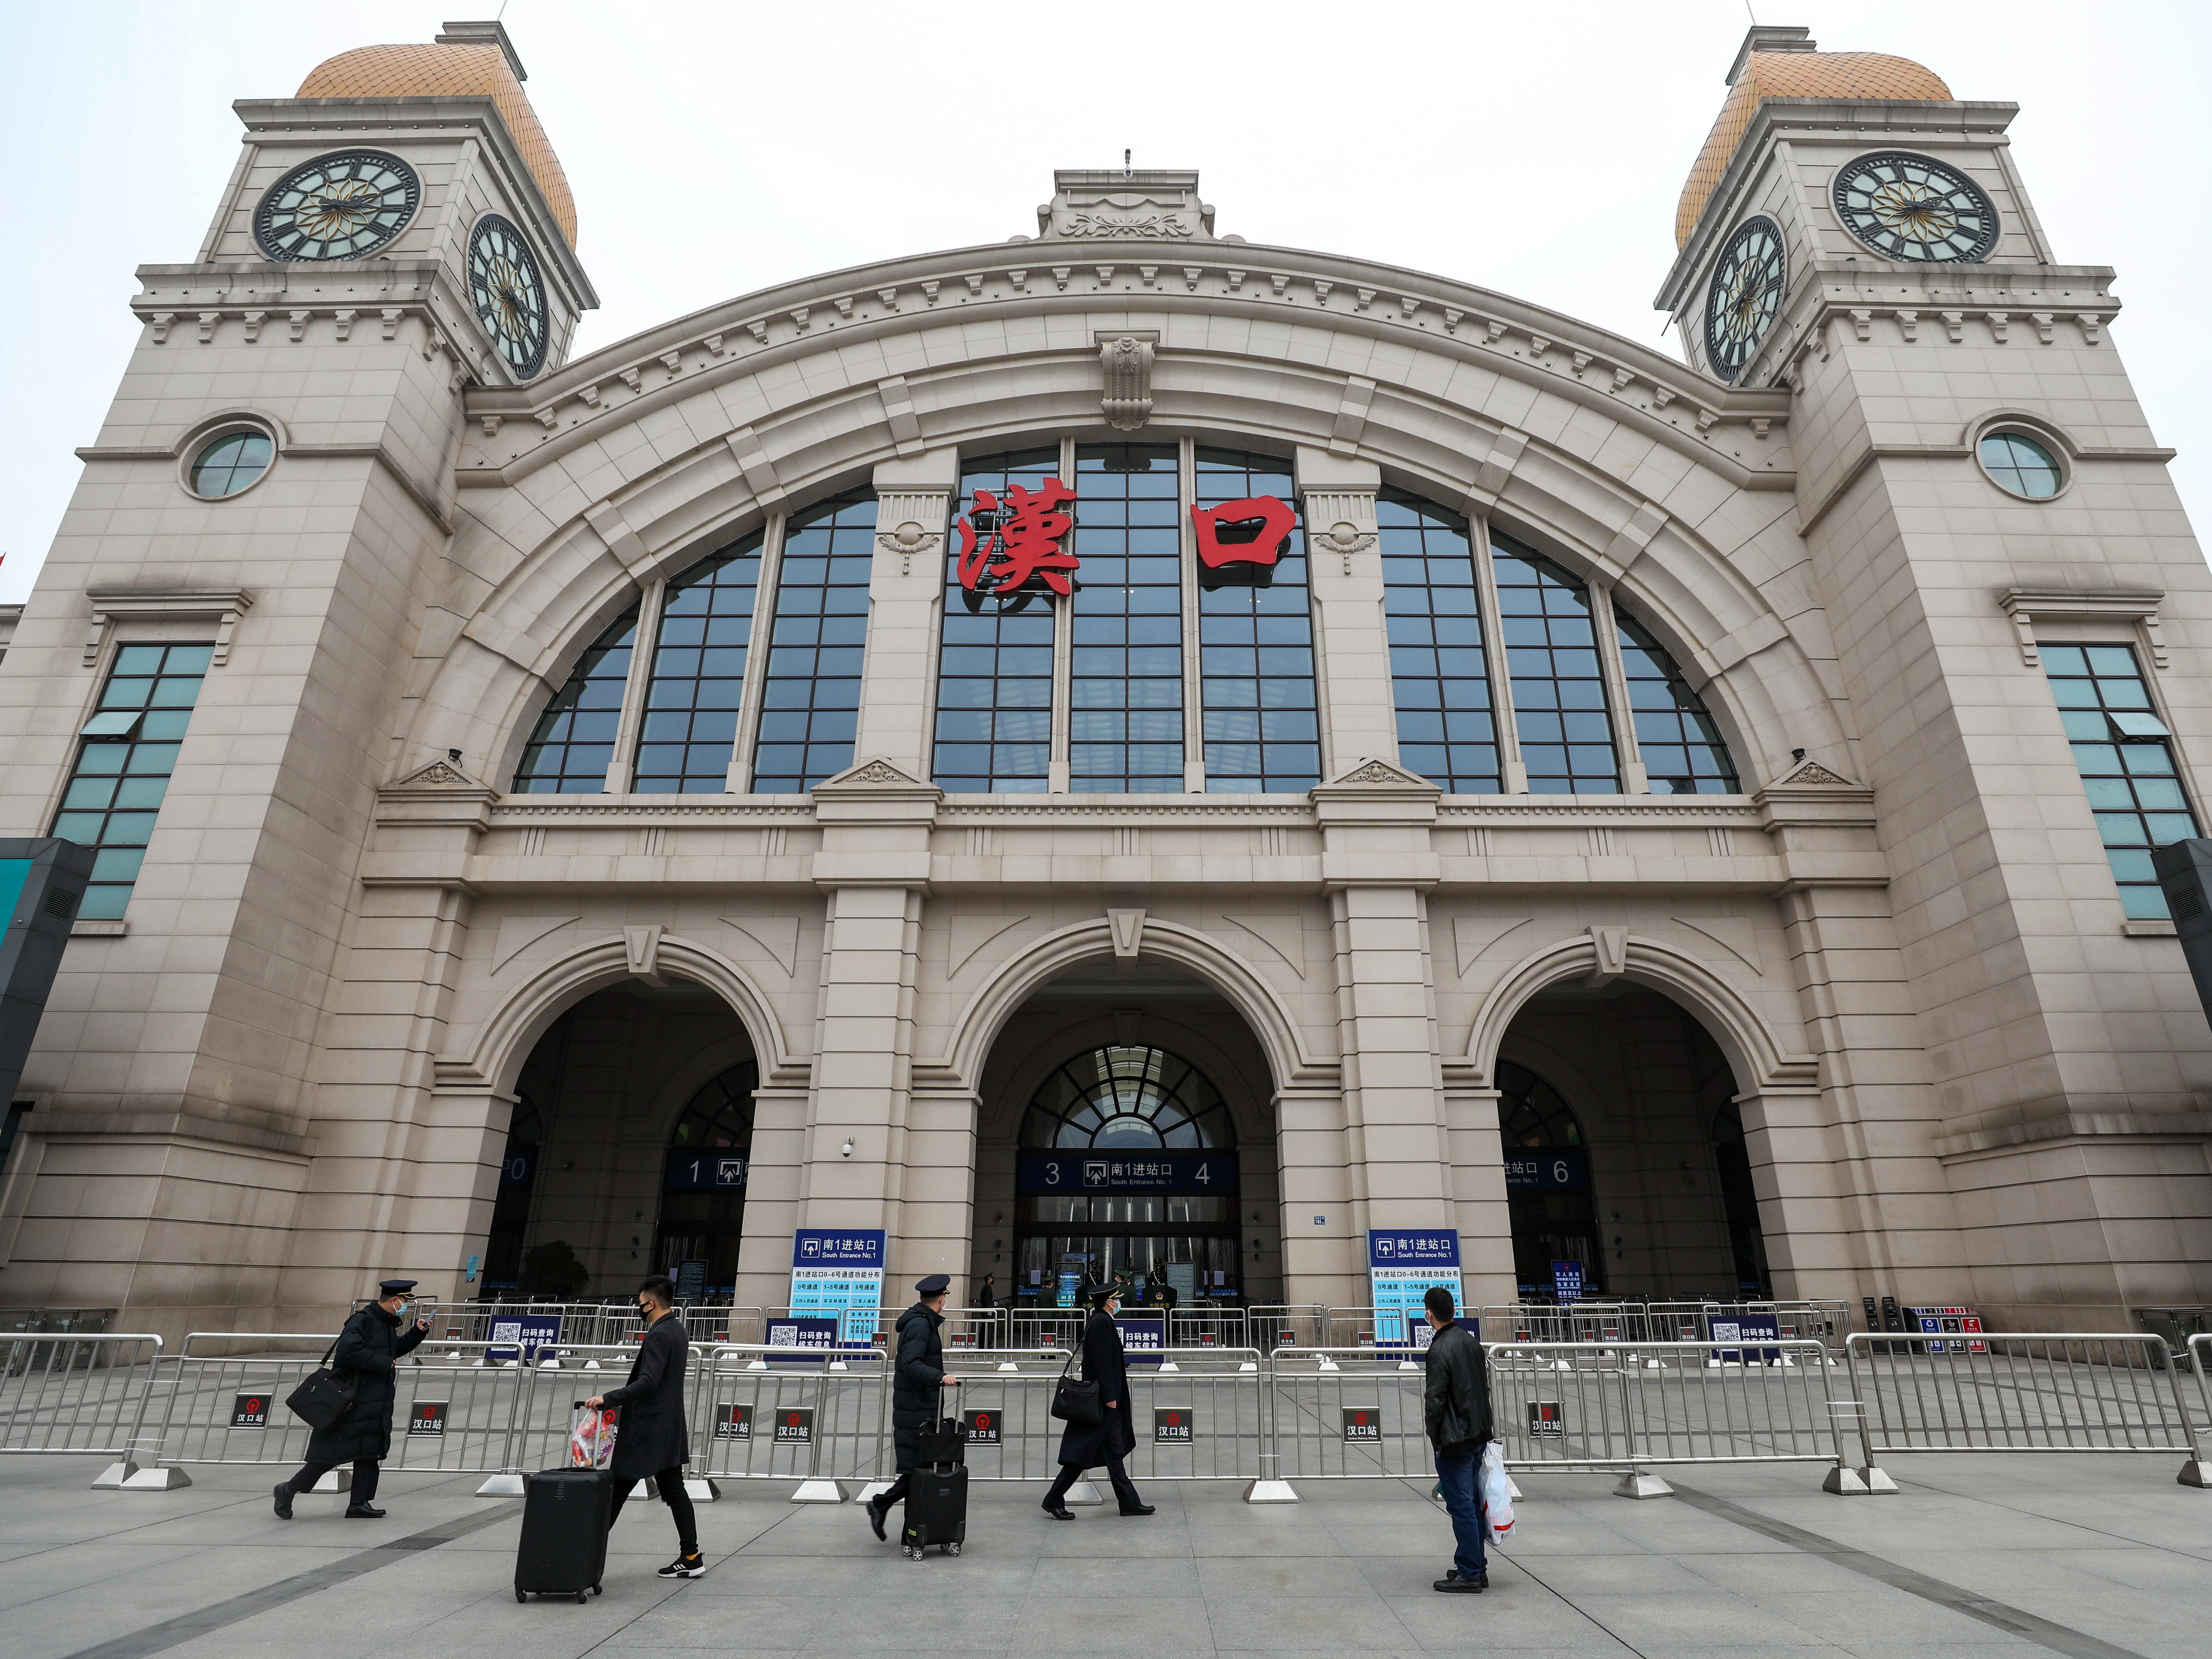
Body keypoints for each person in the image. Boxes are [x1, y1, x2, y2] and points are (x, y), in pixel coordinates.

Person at [274, 1278, 429, 1519]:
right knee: (328, 1455)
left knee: (369, 1452)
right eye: (405, 1301)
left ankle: (359, 1503)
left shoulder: (385, 1323)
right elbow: (349, 1352)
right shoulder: (362, 1320)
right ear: (395, 1299)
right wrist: (383, 1362)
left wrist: (417, 1333)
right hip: (352, 1401)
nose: (406, 1306)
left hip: (375, 1400)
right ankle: (288, 1489)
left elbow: (393, 1350)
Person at [584, 1274, 702, 1579]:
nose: (639, 1308)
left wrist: (608, 1398)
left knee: (619, 1487)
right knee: (674, 1490)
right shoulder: (677, 1330)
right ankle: (691, 1555)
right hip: (668, 1423)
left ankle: (580, 1550)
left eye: (640, 1303)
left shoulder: (660, 1334)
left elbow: (648, 1381)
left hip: (649, 1428)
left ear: (650, 1302)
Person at [1040, 1285, 1154, 1519]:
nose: (1118, 1304)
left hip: (1103, 1400)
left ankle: (1130, 1502)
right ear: (1109, 1302)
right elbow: (1103, 1363)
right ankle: (1054, 1498)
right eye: (1116, 1300)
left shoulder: (1098, 1319)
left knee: (1112, 1452)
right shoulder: (1102, 1322)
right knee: (1083, 1453)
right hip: (1103, 1401)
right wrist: (1111, 1397)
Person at [865, 1273, 963, 1540]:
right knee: (918, 1469)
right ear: (942, 1298)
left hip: (918, 1403)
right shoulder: (920, 1325)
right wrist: (940, 1377)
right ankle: (885, 1508)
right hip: (916, 1406)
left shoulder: (922, 1322)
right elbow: (910, 1363)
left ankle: (905, 1526)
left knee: (918, 1469)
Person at [1422, 1285, 1494, 1594]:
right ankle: (1476, 1566)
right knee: (1474, 1502)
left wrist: (1434, 1436)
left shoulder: (1439, 1350)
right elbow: (1484, 1387)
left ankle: (1469, 1572)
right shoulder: (1470, 1342)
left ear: (1429, 1314)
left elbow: (1435, 1401)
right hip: (1478, 1432)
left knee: (1462, 1505)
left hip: (1455, 1438)